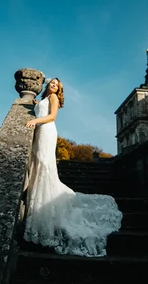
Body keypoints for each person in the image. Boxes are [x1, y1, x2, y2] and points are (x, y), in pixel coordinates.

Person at [23, 78, 122, 257]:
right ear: (47, 85)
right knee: (39, 164)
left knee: (45, 165)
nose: (53, 86)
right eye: (52, 83)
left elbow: (52, 117)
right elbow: (42, 111)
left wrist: (35, 122)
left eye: (57, 85)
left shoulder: (53, 98)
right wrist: (37, 105)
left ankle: (43, 211)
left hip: (47, 131)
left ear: (58, 90)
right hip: (41, 132)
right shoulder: (45, 98)